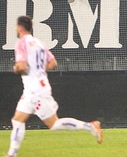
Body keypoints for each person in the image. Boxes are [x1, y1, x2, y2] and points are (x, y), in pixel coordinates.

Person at [7, 15, 102, 157]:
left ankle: (89, 126)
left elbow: (21, 66)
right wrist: (38, 70)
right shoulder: (39, 43)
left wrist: (15, 68)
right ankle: (12, 154)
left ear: (20, 27)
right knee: (17, 120)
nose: (15, 28)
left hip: (35, 90)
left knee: (54, 124)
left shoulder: (21, 43)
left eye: (16, 26)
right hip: (35, 88)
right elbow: (53, 63)